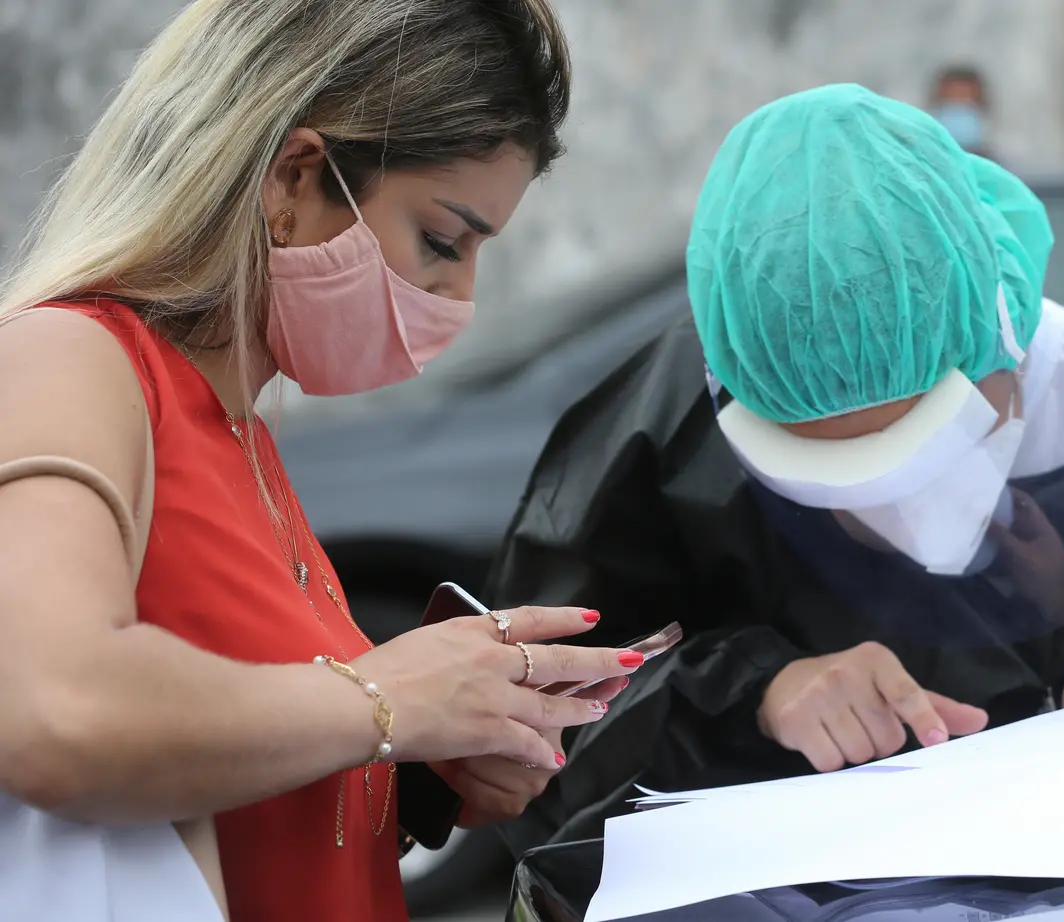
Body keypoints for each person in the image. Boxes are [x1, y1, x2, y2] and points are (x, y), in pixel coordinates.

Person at [487, 83, 1064, 852]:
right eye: (815, 472)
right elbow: (520, 745)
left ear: (1003, 336)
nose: (876, 512)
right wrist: (751, 690)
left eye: (918, 445)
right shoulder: (663, 432)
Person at [0, 2, 645, 920]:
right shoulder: (73, 360)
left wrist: (431, 763)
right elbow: (54, 716)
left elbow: (250, 763)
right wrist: (390, 699)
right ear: (293, 179)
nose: (456, 297)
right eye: (441, 241)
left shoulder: (244, 436)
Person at [929, 64, 997, 159]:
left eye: (966, 104)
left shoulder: (1002, 170)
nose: (957, 111)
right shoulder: (912, 167)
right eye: (951, 103)